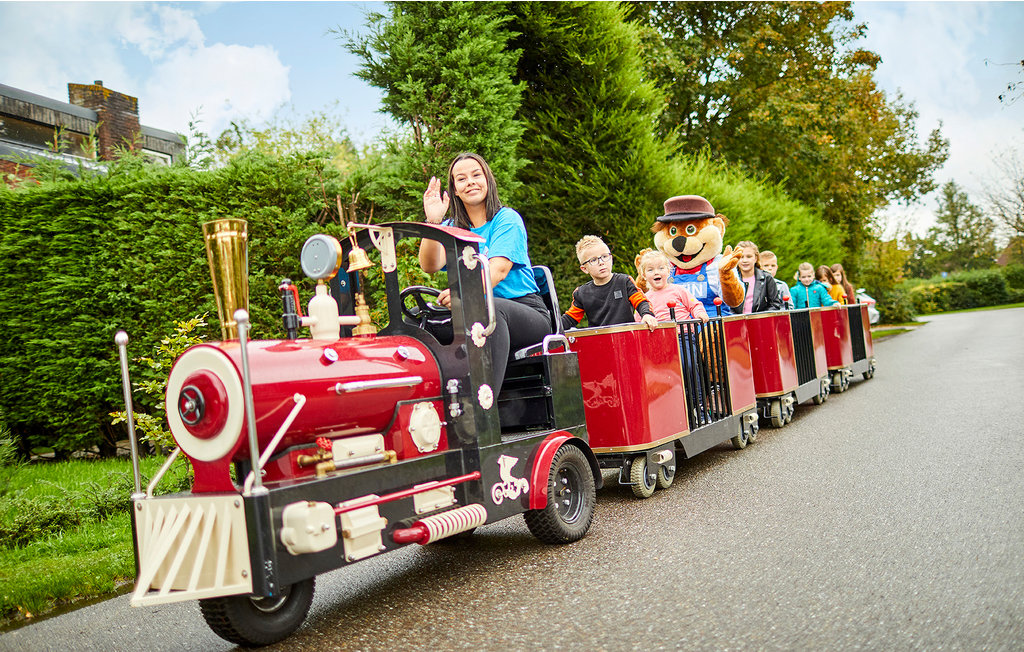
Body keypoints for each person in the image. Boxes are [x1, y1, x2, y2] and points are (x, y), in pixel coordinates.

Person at [418, 152, 551, 394]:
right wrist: (433, 223)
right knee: (420, 318)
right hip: (472, 312)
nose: (470, 182)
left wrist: (461, 295)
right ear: (455, 190)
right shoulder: (451, 228)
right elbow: (429, 265)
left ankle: (485, 406)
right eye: (461, 179)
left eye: (476, 175)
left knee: (491, 311)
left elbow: (498, 270)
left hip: (524, 311)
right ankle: (431, 401)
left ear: (487, 180)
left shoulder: (506, 219)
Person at [561, 235, 658, 331]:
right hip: (599, 339)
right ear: (584, 269)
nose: (601, 262)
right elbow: (570, 318)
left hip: (627, 336)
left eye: (604, 256)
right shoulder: (582, 293)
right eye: (593, 260)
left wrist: (647, 314)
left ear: (611, 258)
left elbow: (641, 301)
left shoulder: (624, 281)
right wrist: (554, 326)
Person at [637, 250, 709, 323]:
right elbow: (638, 321)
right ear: (644, 275)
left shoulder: (679, 290)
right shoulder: (644, 299)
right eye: (650, 270)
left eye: (661, 268)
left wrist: (700, 313)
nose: (656, 272)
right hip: (660, 330)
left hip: (684, 329)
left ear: (668, 271)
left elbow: (694, 305)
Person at [735, 241, 783, 313]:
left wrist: (760, 316)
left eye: (749, 257)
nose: (744, 260)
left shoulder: (767, 278)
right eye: (741, 257)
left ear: (756, 258)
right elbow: (728, 306)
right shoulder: (732, 278)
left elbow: (775, 304)